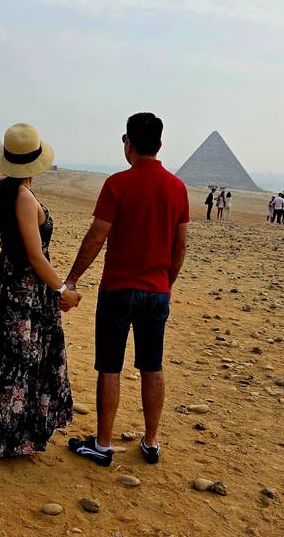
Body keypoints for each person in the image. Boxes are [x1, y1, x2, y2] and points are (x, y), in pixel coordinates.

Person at [63, 112, 189, 467]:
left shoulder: (117, 184)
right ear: (160, 145)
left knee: (110, 367)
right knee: (152, 366)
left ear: (128, 144)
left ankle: (102, 444)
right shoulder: (177, 188)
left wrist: (72, 279)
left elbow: (96, 237)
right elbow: (179, 248)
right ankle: (151, 441)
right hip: (157, 291)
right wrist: (167, 283)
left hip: (118, 290)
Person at [0, 123, 80, 458]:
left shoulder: (2, 187)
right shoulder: (22, 197)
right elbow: (35, 255)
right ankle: (6, 439)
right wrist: (64, 289)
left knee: (12, 364)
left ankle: (12, 435)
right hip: (23, 296)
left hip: (5, 288)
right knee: (21, 366)